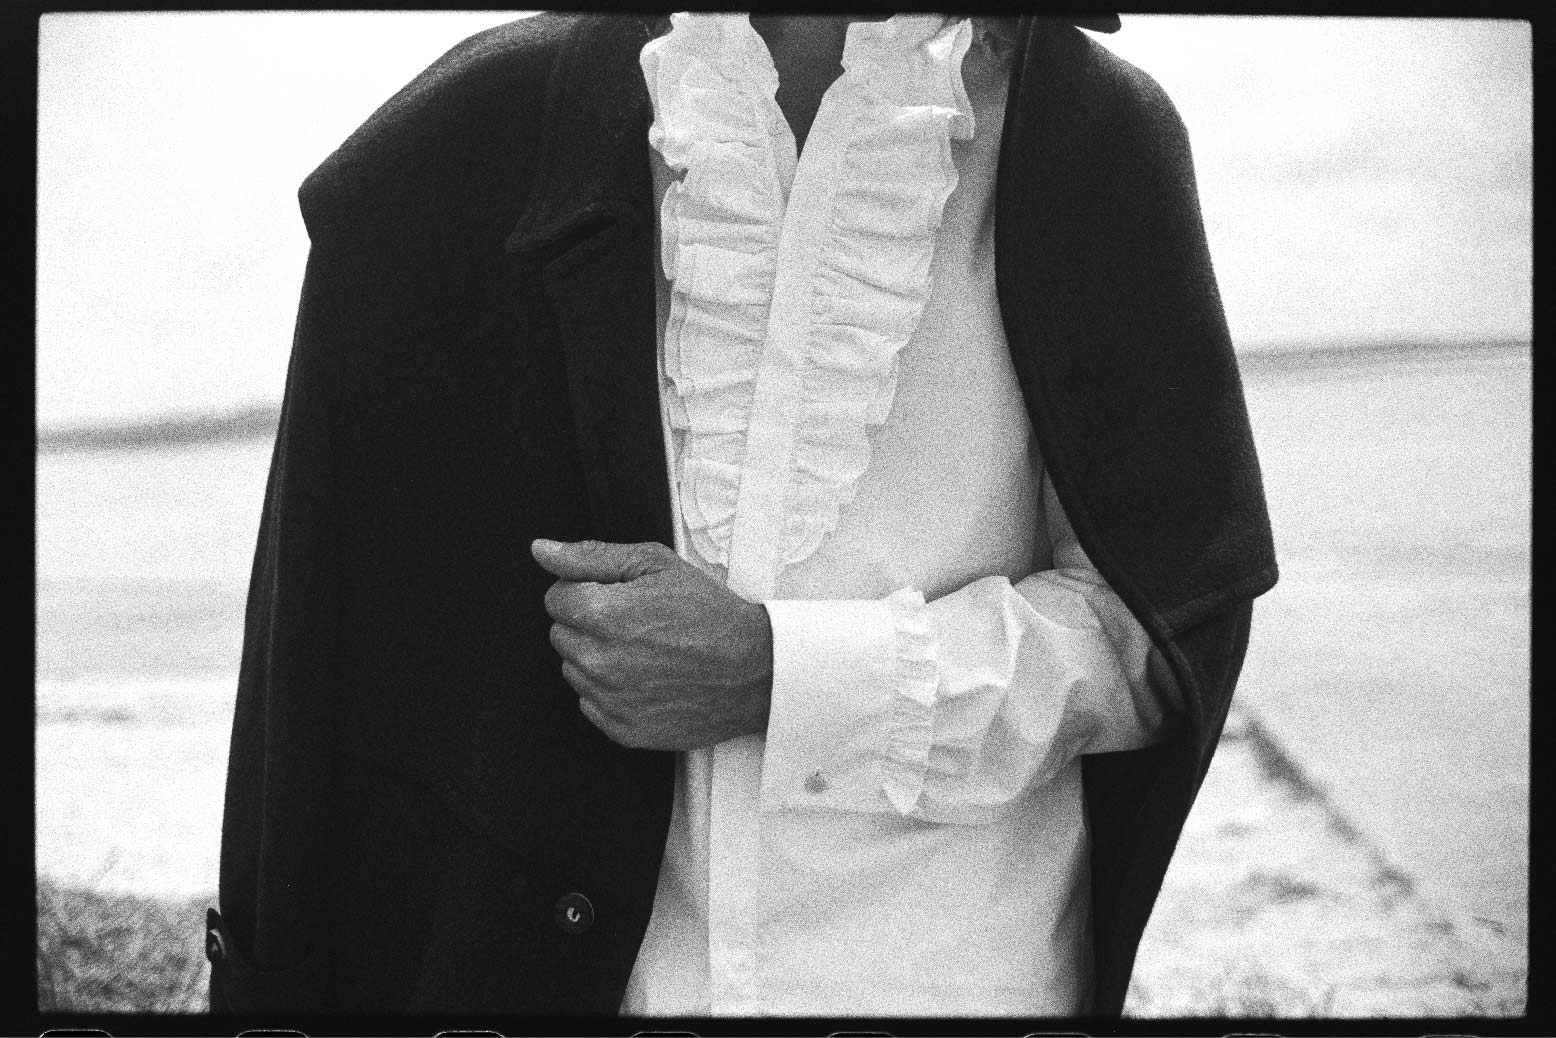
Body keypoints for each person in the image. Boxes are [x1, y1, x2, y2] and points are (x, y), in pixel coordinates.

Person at [206, 10, 1278, 1022]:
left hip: (964, 982)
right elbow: (310, 673)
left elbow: (1151, 635)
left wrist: (782, 673)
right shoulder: (458, 139)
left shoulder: (1096, 144)